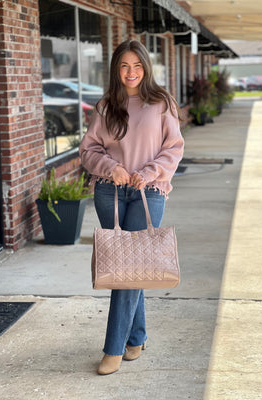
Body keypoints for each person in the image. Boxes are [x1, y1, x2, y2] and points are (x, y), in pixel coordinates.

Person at [79, 39, 184, 375]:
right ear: (116, 69)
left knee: (129, 270)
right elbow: (88, 152)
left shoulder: (161, 102)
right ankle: (135, 337)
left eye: (137, 65)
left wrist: (148, 173)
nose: (131, 72)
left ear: (146, 67)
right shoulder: (106, 106)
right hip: (109, 192)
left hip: (149, 192)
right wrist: (114, 168)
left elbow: (174, 148)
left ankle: (113, 348)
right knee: (125, 266)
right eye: (124, 66)